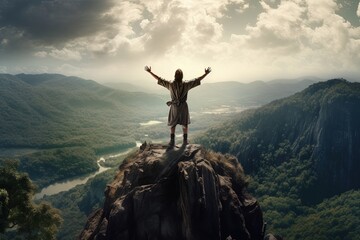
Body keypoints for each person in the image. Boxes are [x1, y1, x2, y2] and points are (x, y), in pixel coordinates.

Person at [145, 66, 211, 146]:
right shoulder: (186, 84)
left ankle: (172, 141)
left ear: (174, 76)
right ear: (182, 76)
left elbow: (159, 79)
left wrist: (150, 72)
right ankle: (185, 141)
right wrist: (206, 74)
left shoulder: (170, 84)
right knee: (184, 123)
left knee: (173, 124)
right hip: (183, 106)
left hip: (174, 107)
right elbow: (198, 79)